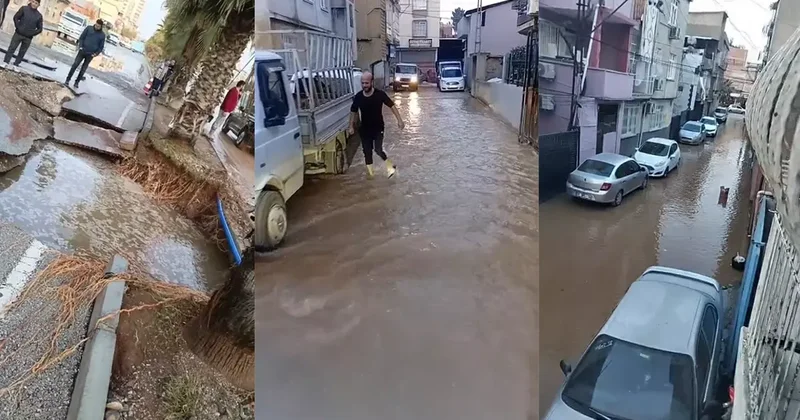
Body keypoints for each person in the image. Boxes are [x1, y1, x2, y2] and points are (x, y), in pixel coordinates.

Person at [347, 71, 404, 179]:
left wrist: (399, 120)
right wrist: (351, 126)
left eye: (367, 83)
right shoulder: (358, 97)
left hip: (378, 128)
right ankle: (371, 175)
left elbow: (392, 106)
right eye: (362, 83)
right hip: (364, 129)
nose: (364, 85)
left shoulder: (380, 94)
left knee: (378, 149)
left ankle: (390, 166)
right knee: (367, 152)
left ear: (372, 82)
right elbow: (353, 111)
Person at [65, 19, 105, 88]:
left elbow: (101, 47)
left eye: (98, 26)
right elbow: (82, 38)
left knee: (83, 69)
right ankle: (67, 80)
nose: (96, 27)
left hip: (90, 54)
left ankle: (77, 82)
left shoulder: (102, 35)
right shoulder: (89, 28)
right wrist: (80, 46)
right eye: (96, 25)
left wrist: (95, 54)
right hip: (82, 51)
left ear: (101, 26)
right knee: (75, 65)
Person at [2, 0, 42, 68]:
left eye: (36, 3)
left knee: (22, 52)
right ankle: (6, 62)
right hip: (18, 33)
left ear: (38, 5)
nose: (34, 4)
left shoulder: (39, 16)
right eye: (33, 2)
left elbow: (40, 29)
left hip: (28, 38)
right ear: (30, 2)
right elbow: (16, 17)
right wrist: (18, 27)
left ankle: (16, 65)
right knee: (12, 48)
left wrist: (32, 33)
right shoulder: (24, 9)